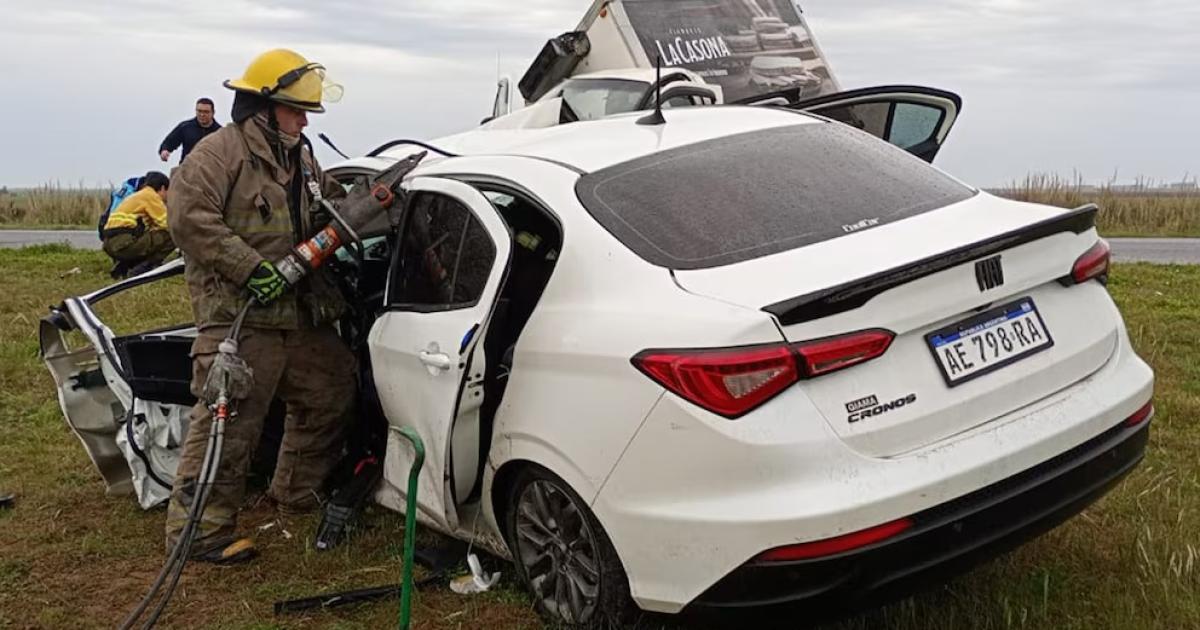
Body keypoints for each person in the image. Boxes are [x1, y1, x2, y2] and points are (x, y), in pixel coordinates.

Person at [165, 49, 353, 564]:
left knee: (331, 388)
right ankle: (198, 533)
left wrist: (374, 199)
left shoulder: (302, 156)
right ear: (263, 107)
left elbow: (330, 203)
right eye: (296, 110)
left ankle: (294, 492)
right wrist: (251, 268)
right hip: (240, 317)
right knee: (229, 424)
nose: (305, 119)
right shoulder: (217, 154)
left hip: (298, 315)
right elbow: (187, 218)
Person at [101, 171, 175, 278]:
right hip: (123, 242)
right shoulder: (151, 196)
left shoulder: (137, 196)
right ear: (163, 188)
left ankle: (124, 266)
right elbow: (168, 224)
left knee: (150, 238)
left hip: (109, 243)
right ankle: (145, 269)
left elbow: (152, 226)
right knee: (173, 236)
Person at [159, 98, 222, 163]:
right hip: (187, 169)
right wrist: (164, 151)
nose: (202, 115)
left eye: (206, 112)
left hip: (211, 170)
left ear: (213, 112)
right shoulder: (185, 127)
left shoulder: (220, 132)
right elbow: (169, 142)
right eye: (199, 111)